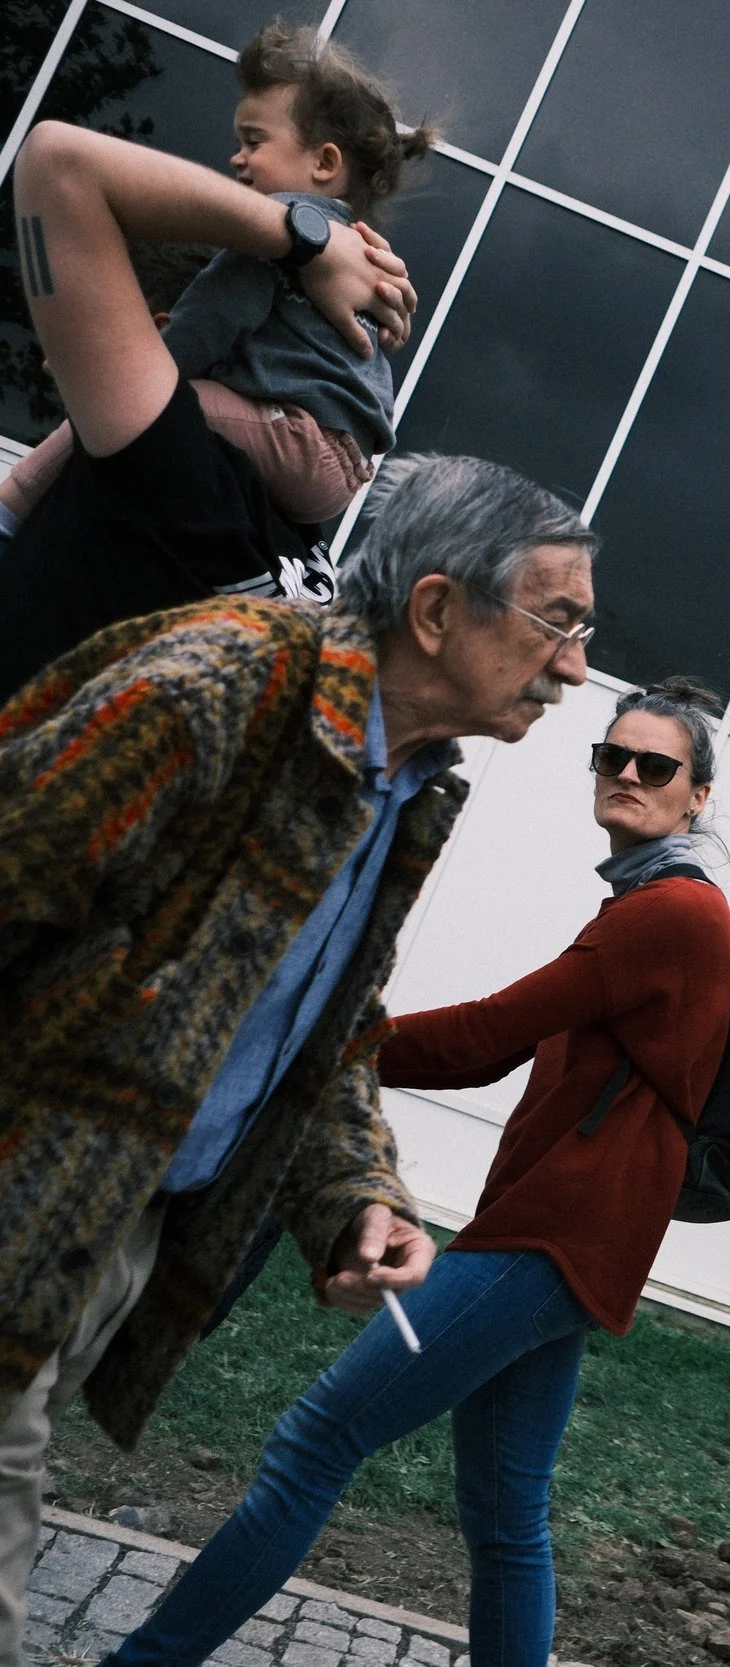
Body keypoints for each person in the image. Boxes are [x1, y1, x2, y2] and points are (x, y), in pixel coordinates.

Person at [0, 452, 593, 1662]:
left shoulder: (406, 782)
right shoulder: (222, 685)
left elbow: (328, 1030)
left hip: (103, 1231)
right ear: (436, 609)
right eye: (559, 621)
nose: (578, 668)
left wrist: (353, 1200)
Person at [101, 678, 730, 1667]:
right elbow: (496, 1053)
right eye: (612, 755)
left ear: (697, 794)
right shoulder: (649, 903)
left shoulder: (672, 913)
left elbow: (485, 1034)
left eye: (656, 765)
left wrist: (315, 1029)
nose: (627, 775)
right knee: (505, 1511)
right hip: (569, 1240)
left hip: (551, 1237)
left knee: (316, 1441)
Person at [0, 97, 418, 697]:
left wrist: (310, 249)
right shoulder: (166, 453)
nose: (71, 350)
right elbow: (57, 160)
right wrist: (309, 237)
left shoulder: (275, 506)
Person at [1, 27, 431, 546]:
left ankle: (11, 505)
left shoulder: (274, 242)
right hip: (344, 467)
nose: (236, 157)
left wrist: (116, 368)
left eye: (255, 141)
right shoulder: (365, 255)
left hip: (298, 439)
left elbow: (206, 324)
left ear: (324, 162)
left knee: (180, 397)